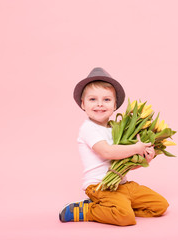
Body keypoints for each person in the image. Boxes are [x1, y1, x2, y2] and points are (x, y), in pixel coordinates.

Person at [59, 67, 169, 226]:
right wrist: (136, 148)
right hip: (100, 186)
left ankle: (114, 207)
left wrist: (145, 159)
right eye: (92, 100)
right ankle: (88, 210)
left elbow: (124, 165)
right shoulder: (88, 128)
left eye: (106, 100)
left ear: (115, 104)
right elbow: (107, 152)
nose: (99, 105)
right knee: (125, 217)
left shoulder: (116, 130)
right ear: (82, 104)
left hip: (122, 185)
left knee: (160, 205)